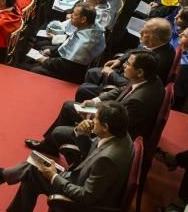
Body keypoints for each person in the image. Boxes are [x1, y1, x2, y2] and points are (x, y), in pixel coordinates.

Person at [0, 102, 134, 212]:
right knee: (35, 167)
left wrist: (54, 177)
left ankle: (2, 179)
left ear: (106, 127)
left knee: (33, 171)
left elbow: (86, 197)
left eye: (95, 119)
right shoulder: (120, 136)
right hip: (81, 181)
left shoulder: (108, 159)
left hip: (83, 208)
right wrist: (80, 134)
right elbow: (91, 154)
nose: (92, 122)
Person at [27, 50, 165, 154]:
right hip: (113, 116)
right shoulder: (152, 79)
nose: (123, 65)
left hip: (113, 139)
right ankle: (49, 146)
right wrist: (95, 101)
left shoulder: (139, 100)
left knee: (59, 131)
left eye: (128, 64)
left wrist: (93, 116)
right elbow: (123, 89)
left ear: (139, 72)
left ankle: (55, 147)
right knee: (69, 106)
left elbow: (116, 128)